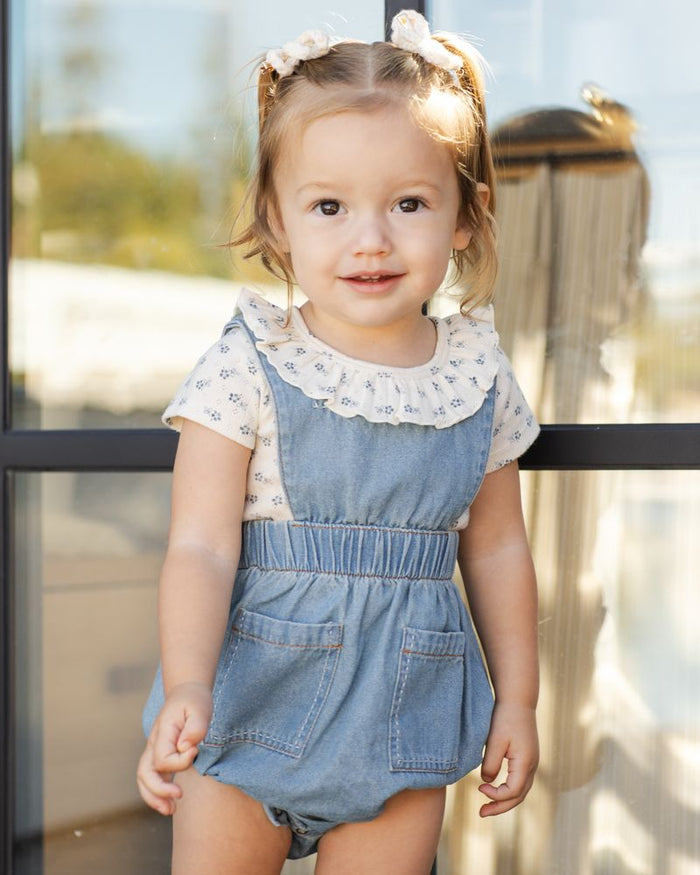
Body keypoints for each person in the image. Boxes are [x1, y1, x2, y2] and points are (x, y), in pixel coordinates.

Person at [137, 10, 540, 874]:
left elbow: (500, 548)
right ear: (278, 223)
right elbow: (202, 545)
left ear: (464, 218)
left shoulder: (476, 375)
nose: (371, 238)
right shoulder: (250, 361)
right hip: (246, 710)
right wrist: (188, 683)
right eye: (329, 205)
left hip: (404, 723)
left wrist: (521, 700)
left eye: (409, 203)